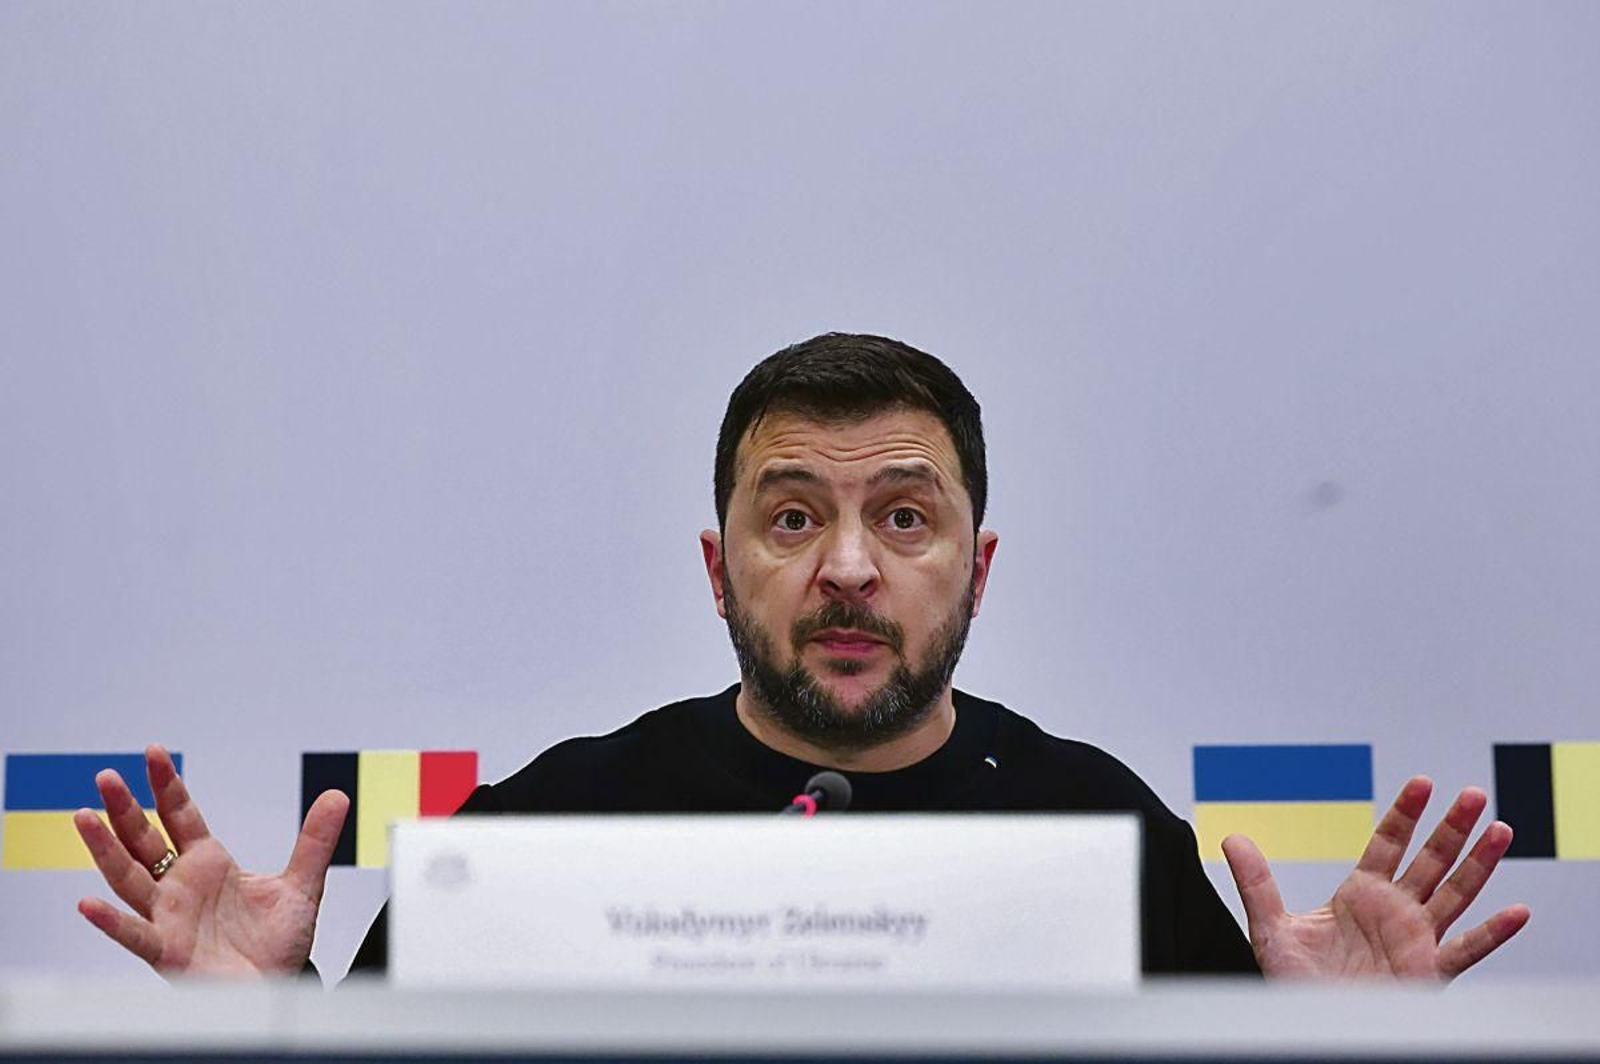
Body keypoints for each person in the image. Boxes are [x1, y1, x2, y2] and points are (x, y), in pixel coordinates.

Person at [72, 333, 1530, 981]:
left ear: (980, 567)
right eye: (791, 517)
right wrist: (268, 1033)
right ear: (718, 569)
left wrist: (1326, 1061)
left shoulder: (1105, 835)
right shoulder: (540, 829)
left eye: (905, 515)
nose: (846, 567)